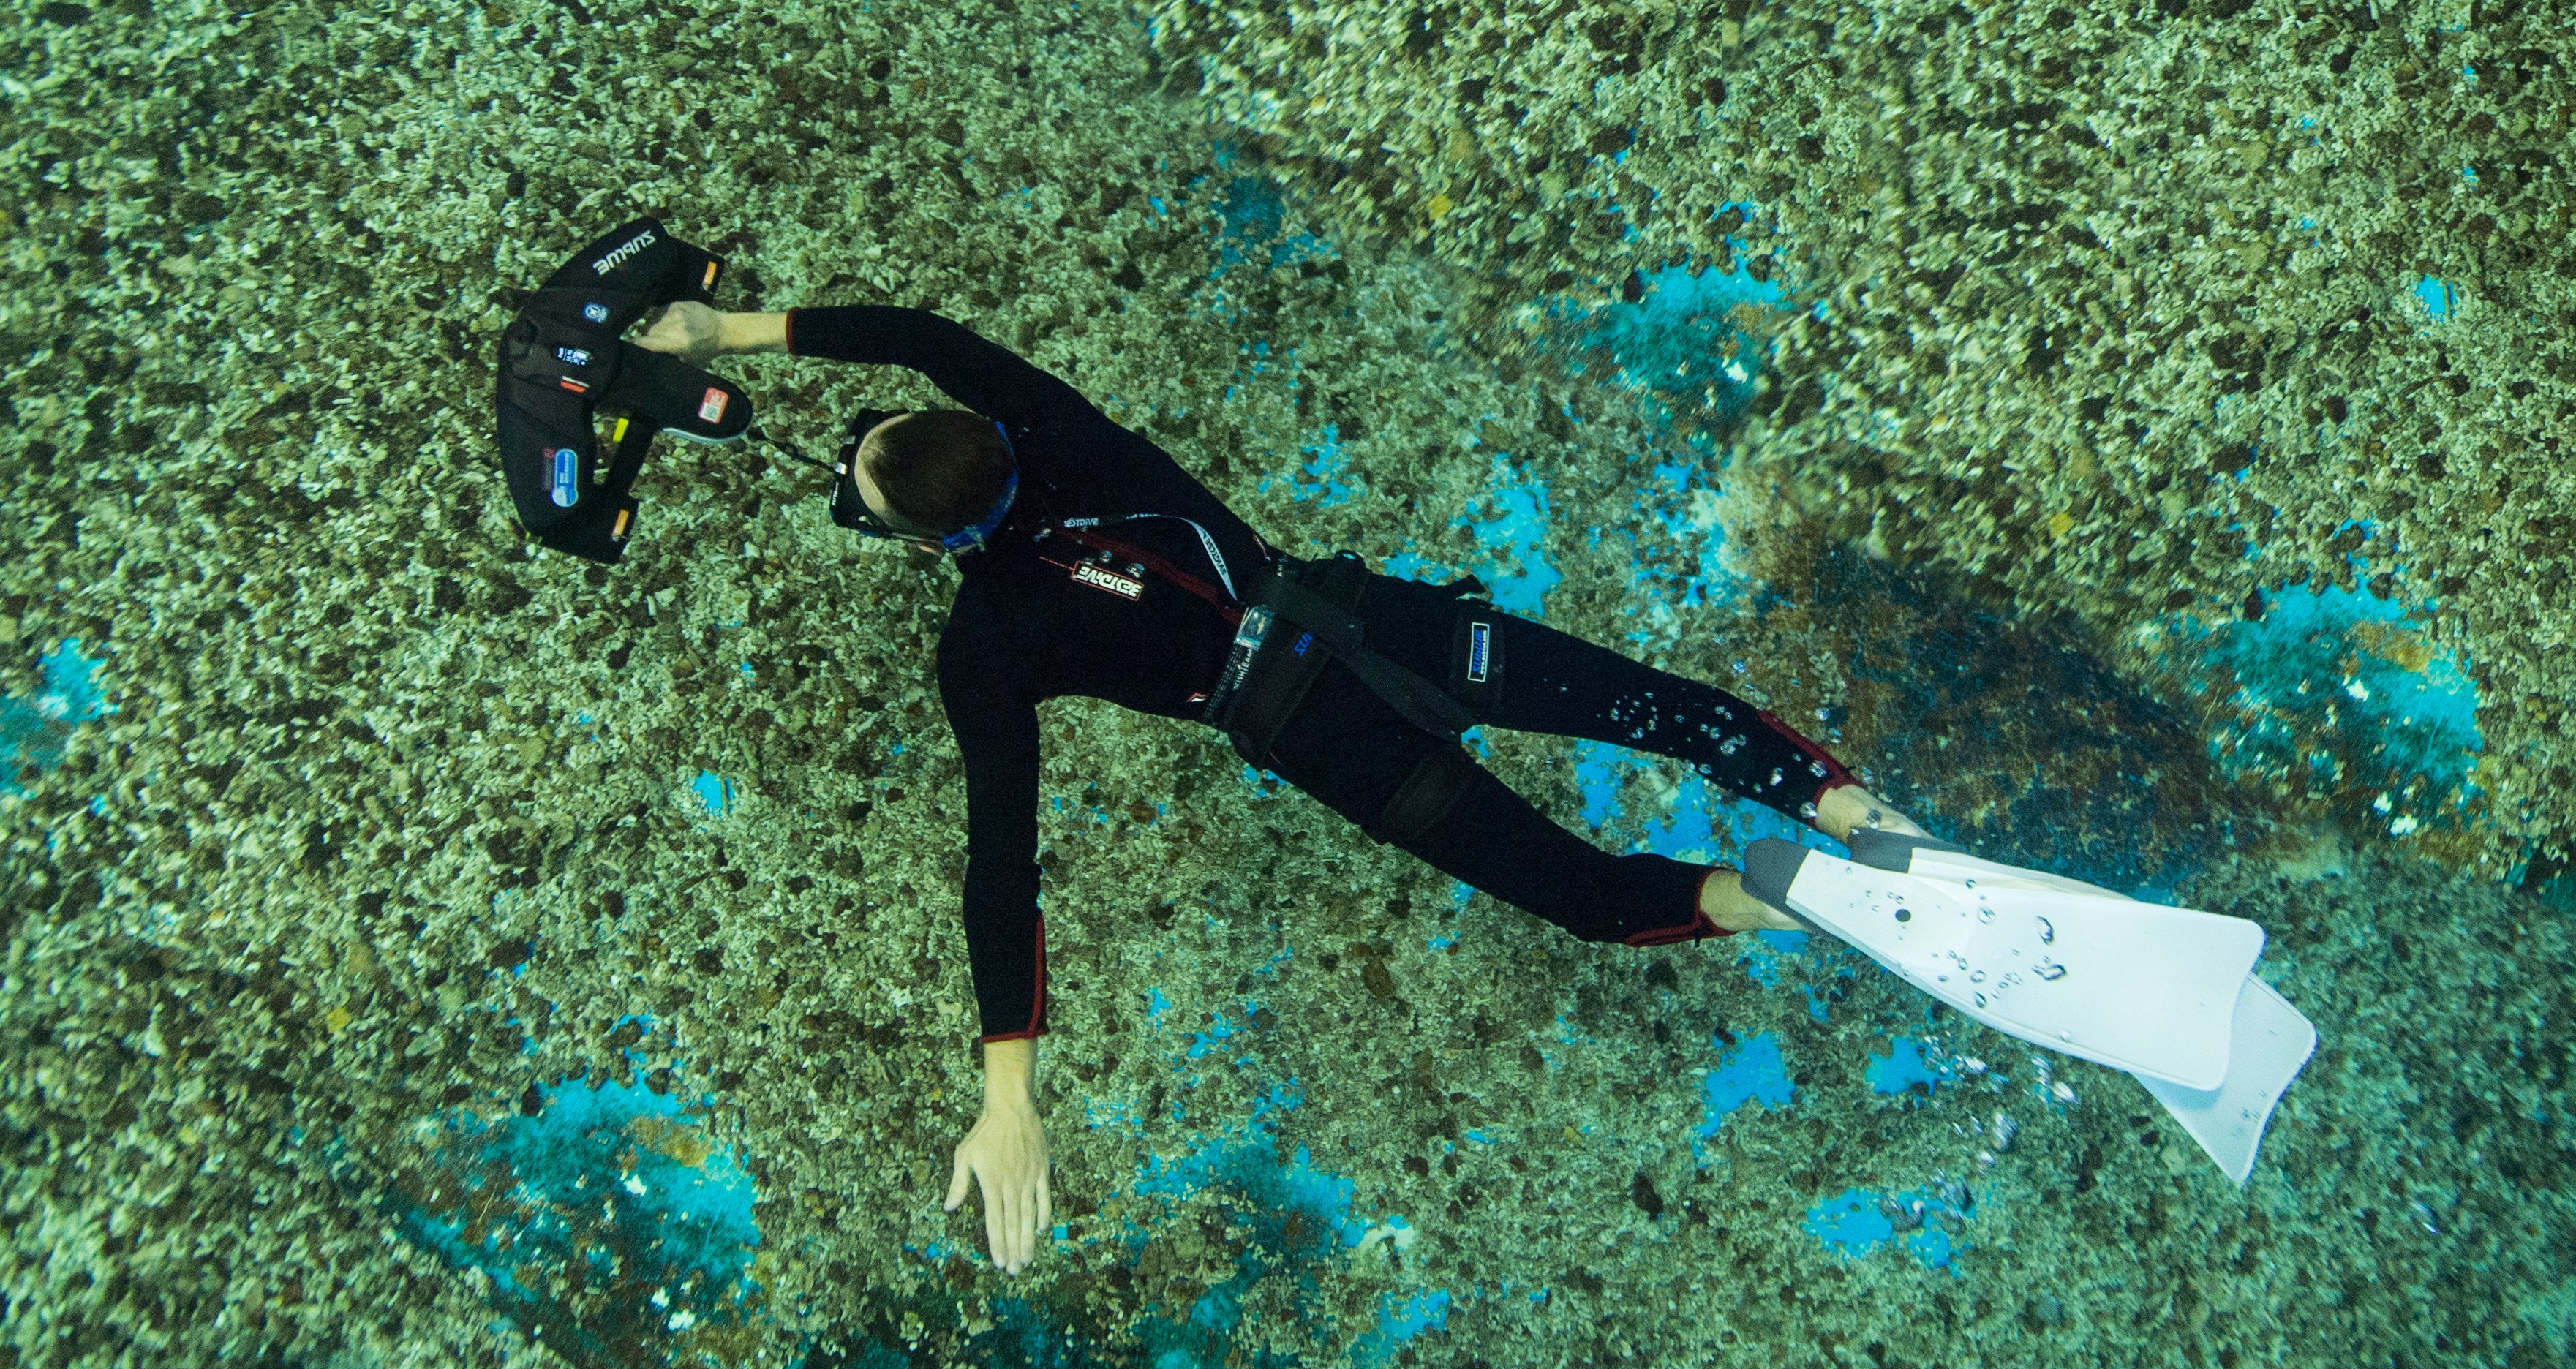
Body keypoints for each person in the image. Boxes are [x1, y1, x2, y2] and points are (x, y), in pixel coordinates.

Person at [635, 299, 1928, 1275]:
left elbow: (1002, 865)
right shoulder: (1053, 424)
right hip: (1372, 622)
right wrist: (730, 328)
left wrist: (1008, 1093)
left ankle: (1780, 902)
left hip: (1323, 740)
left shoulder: (985, 646)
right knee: (1650, 706)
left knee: (1584, 895)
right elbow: (911, 330)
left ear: (935, 542)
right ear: (977, 427)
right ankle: (1842, 808)